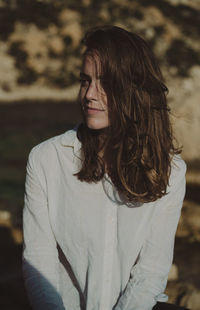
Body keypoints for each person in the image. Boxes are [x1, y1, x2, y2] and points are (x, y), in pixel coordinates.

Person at [23, 26, 188, 310]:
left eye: (106, 83)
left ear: (135, 89)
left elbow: (150, 272)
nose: (90, 94)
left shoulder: (170, 171)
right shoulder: (46, 160)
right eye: (85, 81)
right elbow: (39, 261)